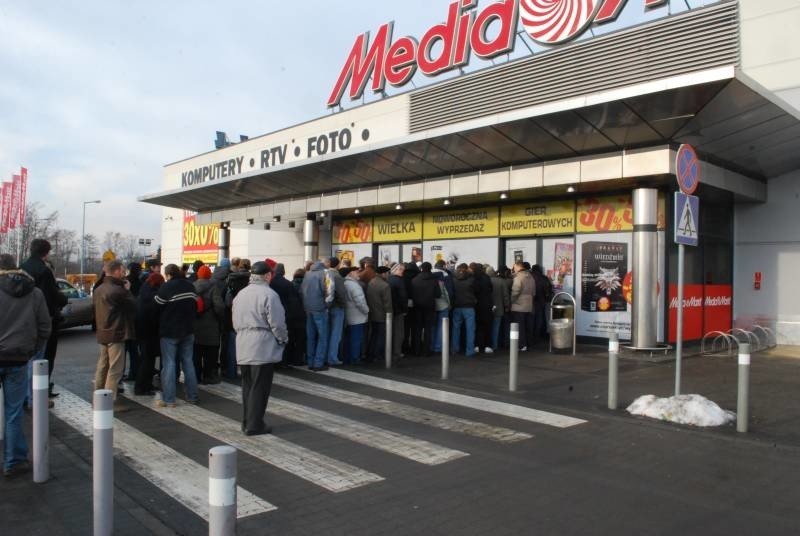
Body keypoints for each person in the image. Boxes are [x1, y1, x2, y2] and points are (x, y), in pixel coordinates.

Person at [0, 254, 51, 477]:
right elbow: (44, 327)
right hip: (19, 357)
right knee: (13, 413)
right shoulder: (34, 292)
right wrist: (32, 349)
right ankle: (14, 460)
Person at [232, 261, 288, 436]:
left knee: (248, 385)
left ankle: (247, 421)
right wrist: (283, 339)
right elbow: (277, 323)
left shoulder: (240, 294)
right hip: (262, 344)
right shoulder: (269, 294)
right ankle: (255, 424)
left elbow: (234, 320)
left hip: (243, 342)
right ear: (267, 275)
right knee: (260, 387)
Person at [21, 239, 67, 401]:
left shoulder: (22, 267)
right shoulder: (44, 271)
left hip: (24, 319)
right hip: (44, 319)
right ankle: (39, 392)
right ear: (46, 253)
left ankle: (27, 394)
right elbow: (49, 297)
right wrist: (62, 299)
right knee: (44, 357)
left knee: (27, 360)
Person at [93, 260, 137, 411]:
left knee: (102, 365)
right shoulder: (118, 291)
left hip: (103, 332)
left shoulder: (99, 288)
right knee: (115, 369)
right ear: (117, 271)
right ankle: (109, 401)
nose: (124, 273)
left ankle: (97, 396)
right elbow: (133, 306)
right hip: (116, 332)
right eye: (122, 270)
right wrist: (128, 290)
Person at [154, 264, 198, 407]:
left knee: (169, 364)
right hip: (188, 330)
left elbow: (157, 305)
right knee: (188, 363)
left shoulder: (167, 287)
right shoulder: (190, 286)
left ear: (167, 275)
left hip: (170, 331)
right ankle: (192, 396)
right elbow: (195, 305)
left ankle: (169, 399)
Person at [268, 260, 305, 367]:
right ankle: (284, 361)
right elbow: (293, 302)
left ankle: (275, 361)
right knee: (285, 338)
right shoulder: (288, 284)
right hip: (286, 314)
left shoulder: (270, 283)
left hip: (271, 312)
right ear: (283, 272)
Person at [193, 265, 224, 383]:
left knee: (196, 354)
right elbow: (219, 307)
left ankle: (195, 376)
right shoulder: (213, 287)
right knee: (210, 354)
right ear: (209, 275)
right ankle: (208, 376)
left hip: (195, 325)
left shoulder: (192, 286)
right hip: (211, 326)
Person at [300, 261, 333, 371]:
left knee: (311, 337)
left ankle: (310, 362)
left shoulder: (307, 274)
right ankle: (318, 363)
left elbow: (301, 291)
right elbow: (330, 291)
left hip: (308, 309)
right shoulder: (325, 273)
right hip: (320, 309)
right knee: (322, 337)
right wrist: (327, 305)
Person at [135, 272, 164, 395]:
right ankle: (142, 387)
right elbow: (154, 315)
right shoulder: (153, 295)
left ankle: (146, 385)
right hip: (149, 332)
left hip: (142, 331)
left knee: (146, 360)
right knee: (147, 361)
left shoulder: (143, 292)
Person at [410, 262, 440, 357]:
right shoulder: (434, 280)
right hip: (429, 307)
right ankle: (426, 351)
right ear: (430, 268)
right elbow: (438, 294)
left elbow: (411, 294)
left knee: (417, 329)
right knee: (428, 329)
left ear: (421, 268)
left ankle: (416, 350)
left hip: (417, 307)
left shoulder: (414, 280)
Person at [365, 265, 392, 362]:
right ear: (383, 273)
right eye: (388, 273)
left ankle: (370, 354)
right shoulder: (385, 285)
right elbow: (387, 303)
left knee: (373, 335)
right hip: (382, 315)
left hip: (372, 314)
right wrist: (389, 315)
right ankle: (378, 355)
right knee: (381, 336)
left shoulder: (371, 282)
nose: (388, 275)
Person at [324, 257, 347, 366]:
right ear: (337, 265)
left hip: (326, 307)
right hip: (337, 307)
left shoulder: (324, 274)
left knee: (327, 333)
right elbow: (342, 294)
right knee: (336, 334)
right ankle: (332, 358)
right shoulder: (337, 276)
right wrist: (343, 305)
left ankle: (325, 356)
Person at [451, 263, 478, 357]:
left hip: (457, 307)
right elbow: (476, 291)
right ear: (467, 270)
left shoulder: (453, 280)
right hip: (469, 307)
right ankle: (469, 351)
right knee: (470, 329)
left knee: (456, 329)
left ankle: (455, 349)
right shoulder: (471, 280)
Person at [343, 268, 369, 364]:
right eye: (357, 272)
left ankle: (347, 357)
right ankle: (355, 358)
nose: (359, 274)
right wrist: (366, 311)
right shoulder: (354, 286)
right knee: (356, 338)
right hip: (357, 317)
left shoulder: (345, 283)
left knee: (348, 338)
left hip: (349, 315)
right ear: (351, 273)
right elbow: (360, 302)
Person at [510, 261, 535, 351]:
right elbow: (534, 292)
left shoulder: (518, 277)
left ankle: (522, 345)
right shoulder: (531, 277)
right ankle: (528, 343)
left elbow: (515, 291)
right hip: (529, 304)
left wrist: (511, 301)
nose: (513, 269)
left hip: (518, 305)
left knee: (520, 326)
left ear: (517, 266)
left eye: (514, 267)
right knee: (528, 325)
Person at [430, 260, 454, 353]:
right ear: (443, 266)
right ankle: (438, 347)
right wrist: (449, 303)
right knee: (442, 326)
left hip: (431, 304)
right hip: (443, 304)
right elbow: (449, 292)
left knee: (432, 325)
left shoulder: (429, 274)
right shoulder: (446, 276)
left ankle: (431, 345)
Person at [471, 263, 494, 354]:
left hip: (477, 305)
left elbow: (474, 291)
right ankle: (487, 345)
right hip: (487, 304)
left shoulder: (474, 279)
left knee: (478, 327)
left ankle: (477, 345)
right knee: (487, 326)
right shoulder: (487, 278)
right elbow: (491, 289)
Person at [488, 266, 510, 351]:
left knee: (488, 327)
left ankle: (488, 344)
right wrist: (507, 306)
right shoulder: (501, 281)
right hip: (499, 308)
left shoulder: (487, 281)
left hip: (488, 308)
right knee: (496, 328)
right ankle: (495, 345)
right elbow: (505, 296)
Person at [388, 263, 408, 359]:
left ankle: (388, 350)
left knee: (389, 331)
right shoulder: (399, 281)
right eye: (401, 270)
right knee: (399, 332)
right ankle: (397, 352)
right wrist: (404, 310)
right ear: (396, 270)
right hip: (398, 310)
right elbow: (403, 297)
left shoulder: (388, 279)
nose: (402, 272)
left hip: (388, 309)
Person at [531, 264, 553, 343]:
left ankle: (531, 337)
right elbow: (548, 290)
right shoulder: (544, 278)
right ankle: (537, 336)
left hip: (531, 302)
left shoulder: (530, 277)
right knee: (539, 320)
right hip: (541, 302)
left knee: (531, 320)